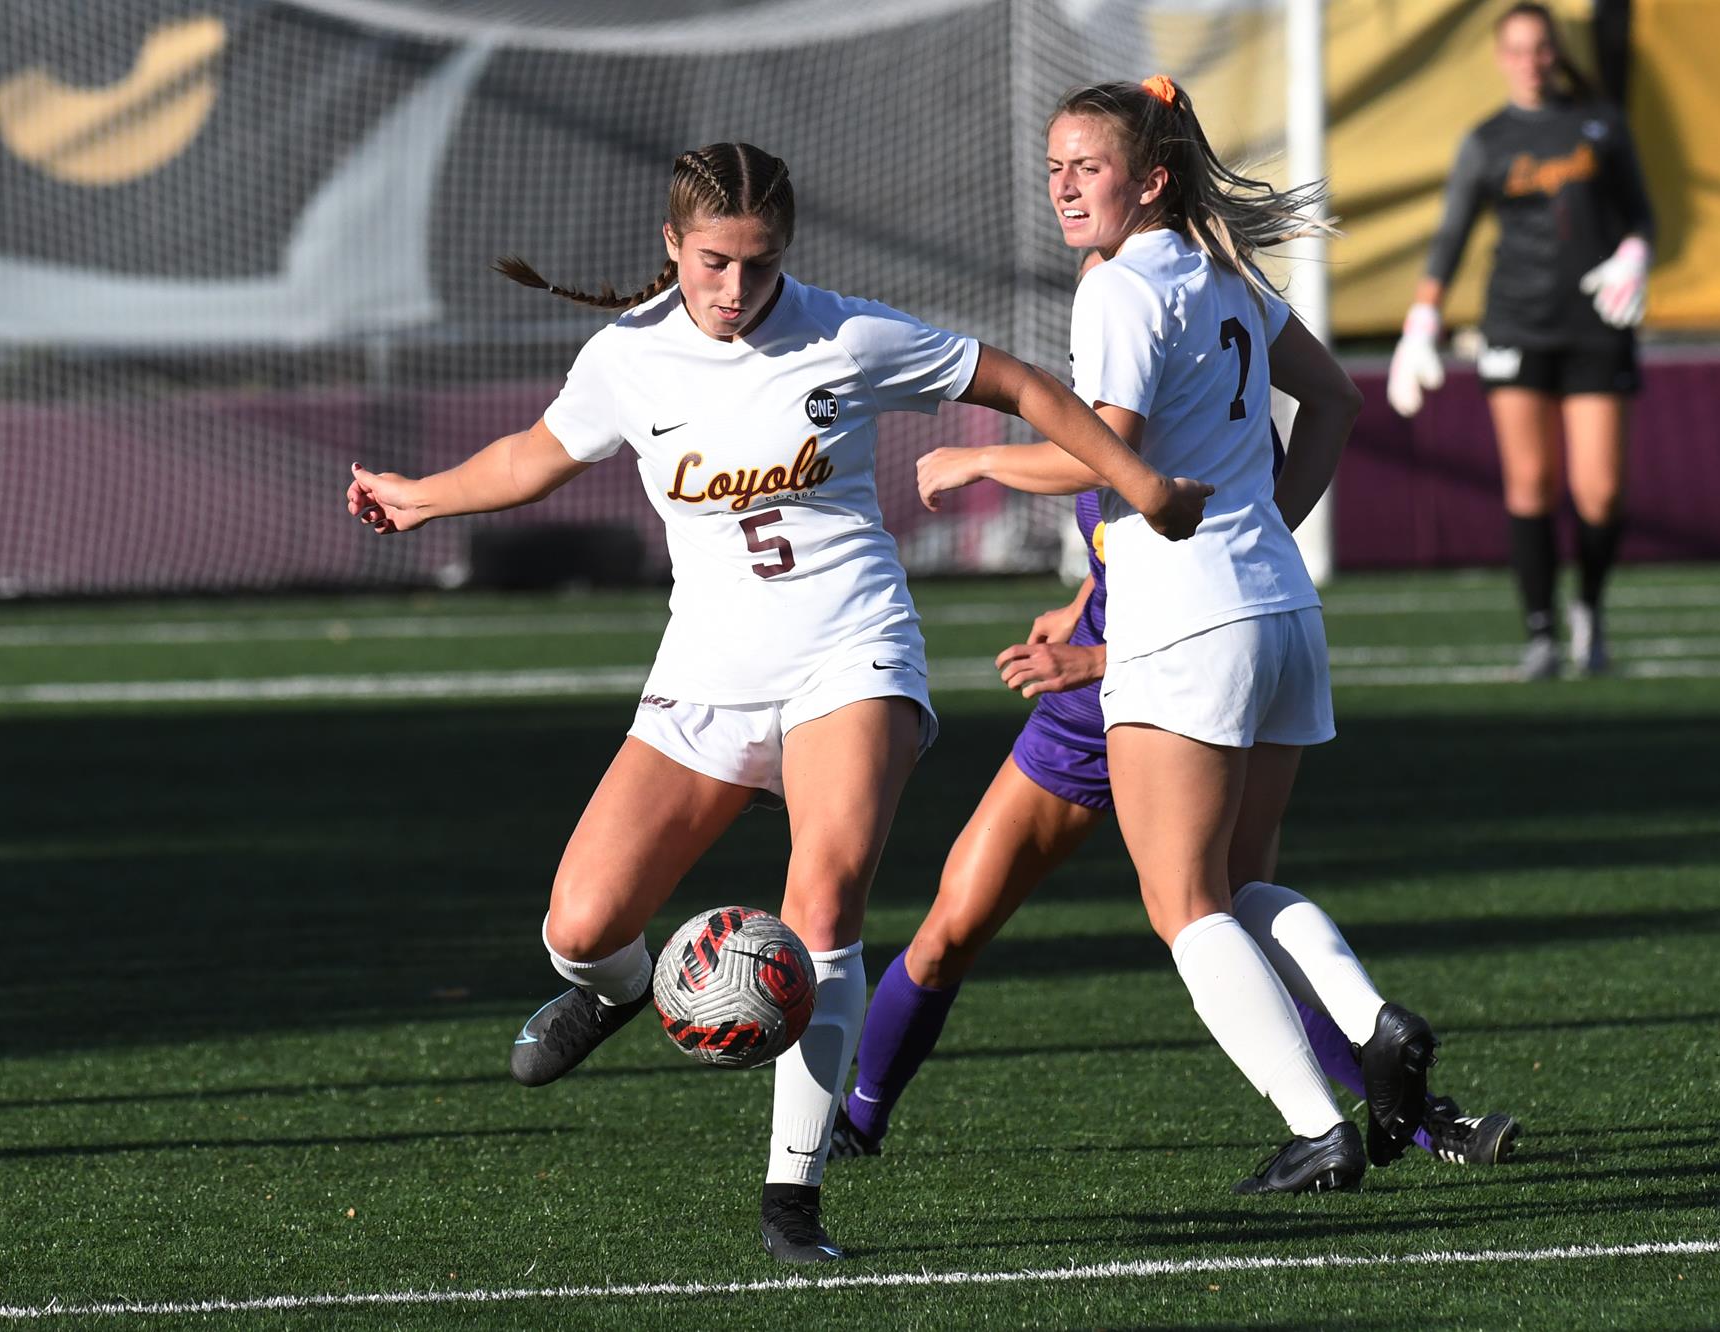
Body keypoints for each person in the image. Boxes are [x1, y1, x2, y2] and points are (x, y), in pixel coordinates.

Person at [344, 142, 1207, 1264]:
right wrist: (422, 498)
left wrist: (1138, 483)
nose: (736, 288)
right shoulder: (628, 357)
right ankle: (616, 993)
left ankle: (792, 1199)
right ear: (672, 244)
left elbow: (1020, 386)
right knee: (580, 928)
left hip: (851, 654)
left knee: (825, 901)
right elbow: (533, 456)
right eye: (713, 262)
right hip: (708, 675)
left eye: (759, 263)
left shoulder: (845, 334)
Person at [936, 75, 1444, 1196]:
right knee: (1240, 883)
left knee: (1181, 904)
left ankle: (1318, 1130)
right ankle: (1371, 1021)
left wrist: (975, 458)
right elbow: (1336, 401)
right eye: (1055, 166)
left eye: (1090, 167)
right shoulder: (1222, 270)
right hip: (1278, 608)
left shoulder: (1122, 286)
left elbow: (1101, 452)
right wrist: (1268, 528)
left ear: (1151, 179)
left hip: (1188, 621)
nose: (1065, 186)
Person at [833, 454, 1520, 1174]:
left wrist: (980, 461)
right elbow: (1123, 523)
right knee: (952, 929)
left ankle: (1416, 1122)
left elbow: (1208, 590)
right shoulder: (1134, 402)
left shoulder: (1163, 408)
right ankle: (858, 1121)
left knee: (1222, 920)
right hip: (1091, 708)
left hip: (1172, 695)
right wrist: (1082, 604)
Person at [1387, 2, 1657, 680]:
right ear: (1500, 57)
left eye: (1541, 47)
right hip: (1516, 326)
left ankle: (1589, 608)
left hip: (1596, 328)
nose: (1530, 61)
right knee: (1531, 482)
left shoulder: (1601, 124)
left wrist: (1635, 254)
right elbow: (1450, 237)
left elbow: (1642, 216)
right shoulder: (1488, 140)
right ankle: (1540, 632)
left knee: (1600, 492)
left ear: (1555, 52)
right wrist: (1422, 321)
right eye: (1517, 49)